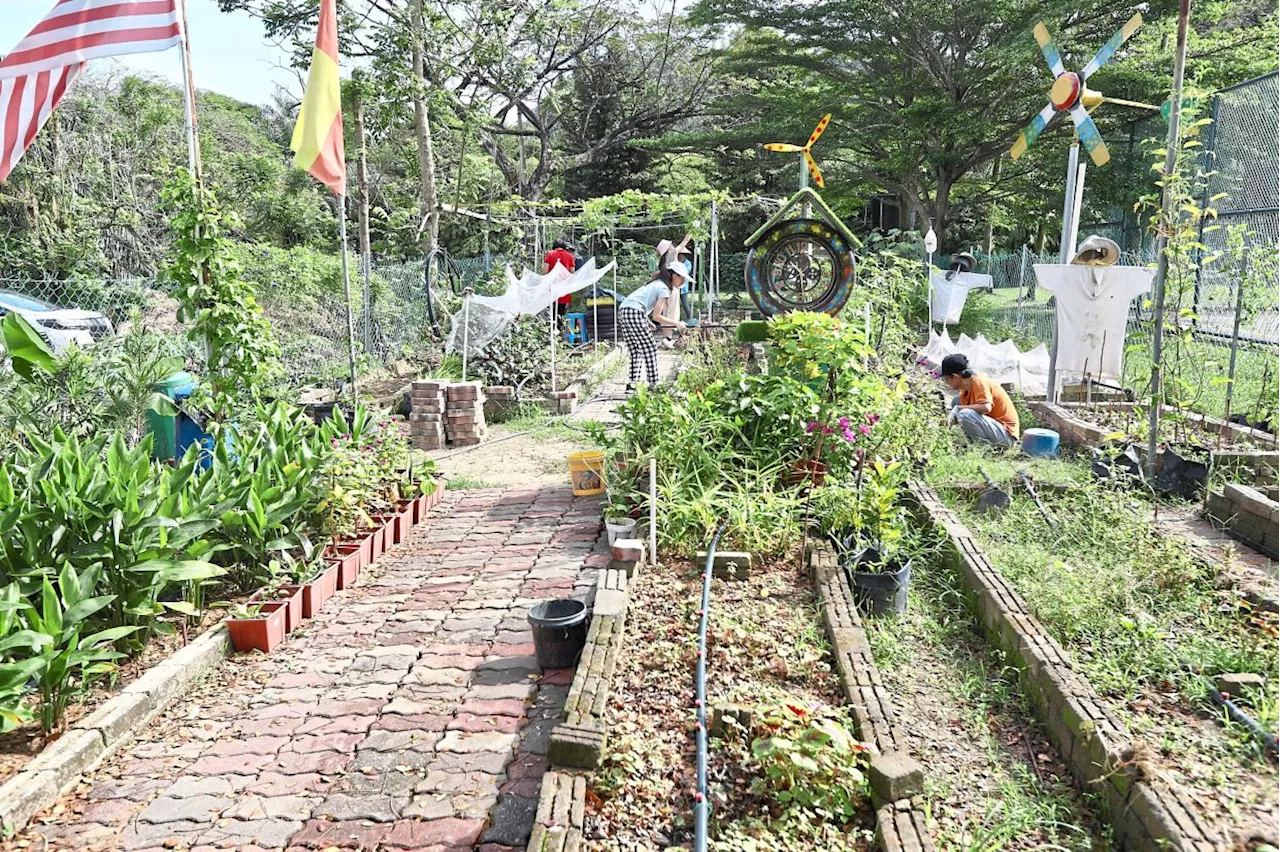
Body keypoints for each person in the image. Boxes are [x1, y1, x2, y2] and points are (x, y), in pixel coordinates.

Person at [618, 261, 689, 393]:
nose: (683, 282)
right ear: (675, 276)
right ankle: (654, 382)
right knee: (650, 348)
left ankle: (632, 384)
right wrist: (677, 323)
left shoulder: (656, 283)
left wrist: (647, 321)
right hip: (634, 312)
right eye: (682, 278)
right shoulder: (664, 289)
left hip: (624, 311)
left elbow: (640, 303)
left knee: (636, 349)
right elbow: (657, 316)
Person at [940, 353, 1019, 447]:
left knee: (964, 413)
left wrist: (958, 409)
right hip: (993, 430)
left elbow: (986, 407)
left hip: (1006, 436)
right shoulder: (964, 391)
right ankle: (973, 443)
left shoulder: (979, 381)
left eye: (946, 379)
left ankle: (983, 449)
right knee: (956, 402)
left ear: (956, 377)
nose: (946, 382)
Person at [542, 237, 576, 321]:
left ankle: (552, 331)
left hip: (552, 288)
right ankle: (559, 331)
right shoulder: (570, 256)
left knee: (551, 313)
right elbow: (572, 272)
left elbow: (545, 271)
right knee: (561, 313)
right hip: (564, 288)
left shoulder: (550, 254)